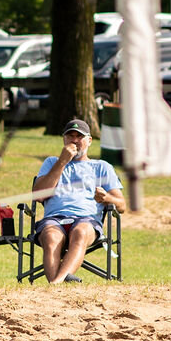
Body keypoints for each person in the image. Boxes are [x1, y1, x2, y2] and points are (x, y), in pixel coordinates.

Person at [32, 119, 125, 284]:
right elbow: (39, 195)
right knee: (51, 236)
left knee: (80, 232)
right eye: (70, 136)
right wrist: (62, 161)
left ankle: (55, 284)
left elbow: (121, 205)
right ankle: (60, 283)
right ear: (64, 139)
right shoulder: (51, 162)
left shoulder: (101, 167)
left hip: (86, 220)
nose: (74, 140)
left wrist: (107, 198)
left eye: (79, 136)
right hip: (54, 219)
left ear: (89, 141)